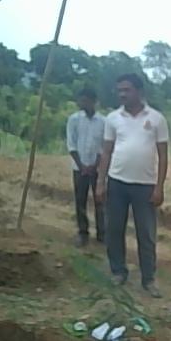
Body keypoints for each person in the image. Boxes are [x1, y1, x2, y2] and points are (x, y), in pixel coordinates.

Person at [95, 73, 169, 298]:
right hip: (117, 182)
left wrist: (159, 187)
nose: (122, 94)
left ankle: (149, 279)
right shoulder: (113, 118)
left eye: (127, 90)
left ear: (139, 91)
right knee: (114, 230)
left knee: (146, 234)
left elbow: (163, 156)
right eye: (120, 90)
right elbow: (106, 152)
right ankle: (118, 271)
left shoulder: (157, 119)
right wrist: (101, 182)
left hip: (145, 186)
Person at [66, 88, 106, 247]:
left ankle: (102, 233)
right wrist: (81, 165)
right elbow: (71, 144)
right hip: (79, 168)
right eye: (81, 100)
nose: (82, 104)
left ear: (94, 101)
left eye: (85, 101)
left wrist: (94, 165)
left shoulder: (103, 122)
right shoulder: (74, 120)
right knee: (80, 200)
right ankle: (83, 233)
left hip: (97, 169)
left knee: (100, 200)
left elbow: (104, 146)